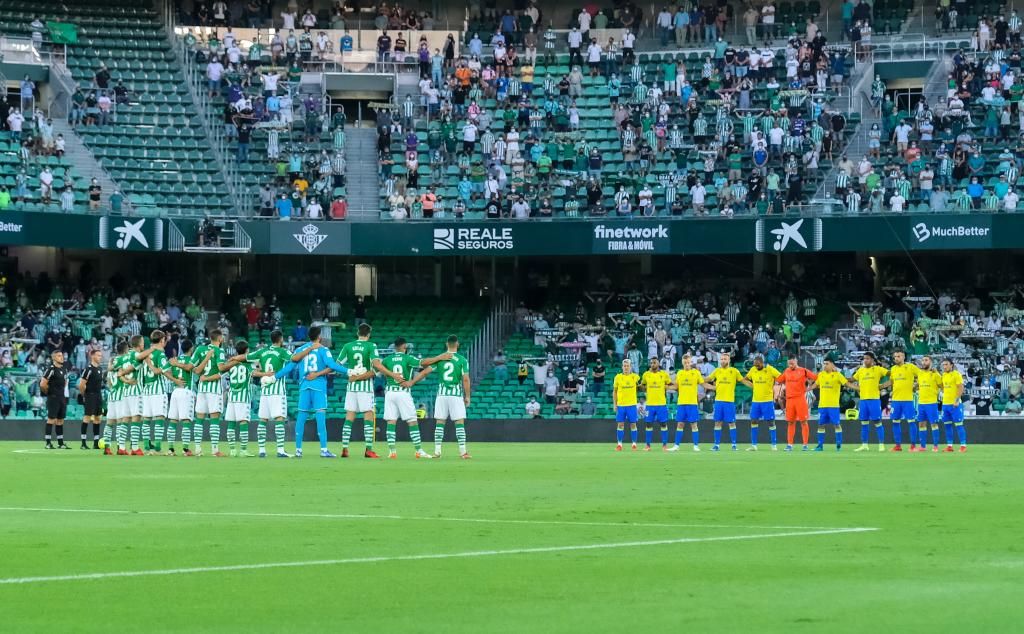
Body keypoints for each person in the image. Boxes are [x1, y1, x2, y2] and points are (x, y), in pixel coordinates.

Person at [274, 326, 358, 458]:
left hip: (304, 386)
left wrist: (274, 377)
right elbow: (332, 365)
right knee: (320, 417)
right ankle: (324, 449)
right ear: (319, 336)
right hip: (318, 386)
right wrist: (349, 371)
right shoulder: (323, 349)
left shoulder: (300, 350)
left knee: (301, 418)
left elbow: (289, 367)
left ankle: (298, 450)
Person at [335, 323, 384, 458]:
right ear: (369, 334)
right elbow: (376, 367)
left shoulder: (348, 346)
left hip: (351, 388)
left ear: (358, 333)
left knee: (349, 417)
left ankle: (345, 448)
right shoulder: (371, 346)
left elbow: (337, 365)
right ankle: (368, 449)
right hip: (365, 388)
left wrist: (350, 373)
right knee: (368, 416)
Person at [380, 337, 435, 459]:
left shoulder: (387, 360)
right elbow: (423, 363)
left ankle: (392, 451)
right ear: (404, 346)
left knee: (391, 421)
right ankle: (418, 450)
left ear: (394, 347)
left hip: (390, 392)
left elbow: (379, 371)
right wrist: (438, 358)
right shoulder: (408, 358)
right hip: (403, 392)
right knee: (412, 421)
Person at [421, 335, 472, 459]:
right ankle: (463, 452)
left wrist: (412, 382)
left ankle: (437, 451)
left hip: (442, 395)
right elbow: (465, 379)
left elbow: (425, 371)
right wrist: (467, 396)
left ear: (446, 344)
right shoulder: (462, 360)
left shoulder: (440, 358)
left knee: (440, 422)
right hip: (455, 395)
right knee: (459, 422)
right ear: (457, 344)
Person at [248, 330, 294, 458]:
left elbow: (247, 359)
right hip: (277, 392)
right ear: (281, 339)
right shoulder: (283, 352)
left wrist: (260, 372)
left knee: (263, 420)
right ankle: (280, 450)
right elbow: (294, 359)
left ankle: (262, 450)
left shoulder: (262, 351)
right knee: (279, 419)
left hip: (265, 392)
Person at [189, 330, 230, 457]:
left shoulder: (200, 349)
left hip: (201, 389)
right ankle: (214, 449)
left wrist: (202, 375)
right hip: (214, 390)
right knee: (214, 419)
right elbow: (221, 370)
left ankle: (197, 448)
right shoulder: (219, 351)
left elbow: (193, 368)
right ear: (220, 338)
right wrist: (232, 364)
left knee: (199, 418)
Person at [703, 352, 746, 451]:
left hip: (729, 402)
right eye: (721, 359)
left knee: (731, 423)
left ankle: (734, 445)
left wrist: (754, 386)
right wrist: (696, 379)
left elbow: (743, 380)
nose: (723, 361)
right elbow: (708, 379)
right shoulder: (717, 371)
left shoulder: (734, 371)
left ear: (729, 360)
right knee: (717, 423)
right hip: (718, 401)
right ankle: (716, 445)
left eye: (725, 359)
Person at [138, 329, 171, 455]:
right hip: (158, 391)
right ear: (162, 340)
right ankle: (157, 448)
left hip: (146, 391)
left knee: (146, 419)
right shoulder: (160, 355)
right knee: (159, 418)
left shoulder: (146, 354)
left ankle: (147, 447)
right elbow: (163, 371)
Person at [848, 352, 888, 452]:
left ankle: (881, 444)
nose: (865, 360)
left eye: (867, 358)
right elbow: (851, 380)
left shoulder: (878, 369)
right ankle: (864, 445)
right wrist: (840, 378)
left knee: (877, 422)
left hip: (874, 400)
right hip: (863, 401)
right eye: (864, 358)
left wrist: (884, 385)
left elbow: (891, 375)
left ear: (872, 360)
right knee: (864, 423)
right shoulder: (860, 370)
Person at [165, 339, 199, 456]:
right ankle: (185, 449)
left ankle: (170, 449)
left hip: (175, 391)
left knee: (173, 420)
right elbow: (193, 369)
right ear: (191, 348)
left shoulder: (175, 359)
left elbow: (164, 371)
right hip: (186, 391)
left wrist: (174, 380)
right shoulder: (191, 360)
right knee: (186, 420)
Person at [222, 340, 256, 457]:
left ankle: (232, 450)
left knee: (231, 423)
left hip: (232, 396)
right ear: (246, 350)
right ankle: (243, 450)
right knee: (243, 422)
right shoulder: (247, 363)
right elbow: (255, 373)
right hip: (243, 396)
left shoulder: (231, 363)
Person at [776, 355, 816, 451]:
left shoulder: (803, 371)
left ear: (796, 361)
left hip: (800, 399)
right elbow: (778, 380)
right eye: (789, 364)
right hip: (789, 400)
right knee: (790, 422)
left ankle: (805, 445)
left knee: (804, 421)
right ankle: (789, 445)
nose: (790, 365)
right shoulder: (786, 371)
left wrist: (810, 388)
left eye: (792, 363)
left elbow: (816, 378)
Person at [884, 350, 918, 452]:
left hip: (908, 400)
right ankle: (898, 445)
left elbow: (922, 375)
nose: (896, 358)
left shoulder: (910, 367)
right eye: (895, 356)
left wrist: (916, 385)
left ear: (903, 357)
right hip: (896, 400)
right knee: (895, 422)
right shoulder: (893, 369)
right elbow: (892, 381)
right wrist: (880, 387)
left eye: (898, 356)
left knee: (911, 422)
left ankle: (913, 446)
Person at [745, 355, 781, 451]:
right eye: (755, 365)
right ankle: (754, 445)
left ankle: (774, 445)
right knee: (753, 421)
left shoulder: (770, 369)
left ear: (762, 363)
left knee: (770, 422)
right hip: (756, 401)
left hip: (767, 401)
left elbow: (781, 377)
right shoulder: (753, 369)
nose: (756, 366)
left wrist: (776, 387)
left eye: (758, 365)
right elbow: (745, 379)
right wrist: (753, 386)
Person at [669, 354, 703, 451]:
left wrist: (713, 387)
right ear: (682, 363)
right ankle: (676, 446)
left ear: (691, 362)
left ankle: (696, 445)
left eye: (688, 362)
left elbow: (702, 383)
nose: (687, 364)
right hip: (681, 403)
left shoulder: (696, 373)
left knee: (694, 424)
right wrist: (666, 387)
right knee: (680, 424)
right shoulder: (679, 373)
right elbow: (676, 386)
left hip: (692, 403)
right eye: (685, 362)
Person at [810, 359, 846, 451]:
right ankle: (820, 446)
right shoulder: (821, 375)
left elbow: (846, 383)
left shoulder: (838, 375)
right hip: (822, 405)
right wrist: (806, 390)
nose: (824, 365)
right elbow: (815, 385)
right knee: (821, 425)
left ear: (832, 365)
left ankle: (838, 445)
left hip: (833, 405)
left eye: (827, 364)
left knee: (836, 424)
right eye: (824, 364)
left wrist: (858, 388)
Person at [40, 350, 70, 449]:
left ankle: (60, 443)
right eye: (59, 356)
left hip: (62, 397)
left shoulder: (64, 369)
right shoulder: (51, 369)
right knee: (51, 419)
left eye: (62, 355)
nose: (61, 357)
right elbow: (42, 384)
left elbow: (65, 383)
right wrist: (49, 392)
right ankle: (48, 443)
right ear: (53, 358)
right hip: (53, 397)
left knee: (60, 420)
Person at [640, 358, 671, 450]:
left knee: (663, 424)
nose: (652, 364)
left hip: (661, 404)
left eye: (654, 362)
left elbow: (670, 384)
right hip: (649, 404)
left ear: (658, 364)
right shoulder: (646, 374)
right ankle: (648, 445)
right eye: (651, 363)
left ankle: (664, 445)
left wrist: (666, 387)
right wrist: (644, 389)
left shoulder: (664, 374)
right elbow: (642, 385)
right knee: (648, 424)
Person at [77, 347, 104, 450]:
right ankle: (83, 443)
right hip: (90, 395)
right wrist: (85, 395)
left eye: (101, 356)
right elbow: (81, 385)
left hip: (98, 395)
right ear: (92, 356)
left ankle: (96, 443)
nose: (100, 357)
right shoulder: (88, 369)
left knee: (98, 418)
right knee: (87, 417)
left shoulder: (100, 369)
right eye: (98, 355)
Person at [914, 356, 942, 452]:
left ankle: (935, 446)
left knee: (934, 424)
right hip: (921, 403)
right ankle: (923, 446)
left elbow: (942, 386)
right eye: (923, 360)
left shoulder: (936, 374)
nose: (924, 362)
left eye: (926, 360)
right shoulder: (920, 374)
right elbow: (919, 385)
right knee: (921, 424)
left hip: (931, 403)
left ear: (931, 362)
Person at [612, 358, 640, 450]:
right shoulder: (618, 377)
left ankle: (634, 444)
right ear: (622, 367)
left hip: (632, 405)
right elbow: (614, 392)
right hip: (621, 405)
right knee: (620, 424)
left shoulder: (635, 377)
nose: (626, 368)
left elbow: (641, 386)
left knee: (633, 424)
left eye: (628, 366)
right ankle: (619, 444)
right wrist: (615, 404)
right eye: (624, 366)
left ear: (630, 367)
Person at [940, 358, 967, 452]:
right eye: (943, 365)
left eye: (946, 364)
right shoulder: (943, 375)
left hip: (955, 404)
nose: (944, 367)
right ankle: (949, 446)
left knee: (959, 425)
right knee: (947, 425)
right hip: (945, 404)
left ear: (951, 365)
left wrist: (956, 400)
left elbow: (961, 387)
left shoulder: (956, 374)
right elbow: (943, 388)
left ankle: (963, 446)